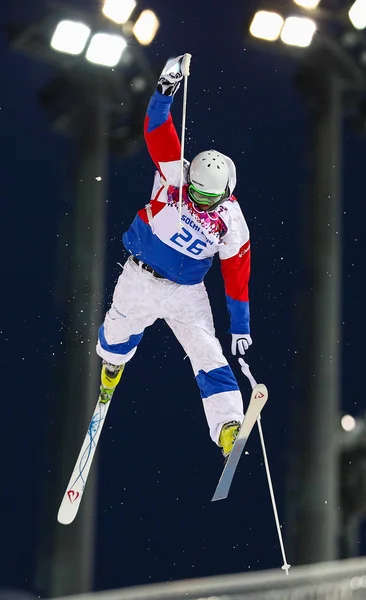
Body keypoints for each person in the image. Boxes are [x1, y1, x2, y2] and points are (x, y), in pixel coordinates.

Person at [96, 54, 252, 458]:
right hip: (140, 278)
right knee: (115, 336)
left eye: (207, 198)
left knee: (207, 352)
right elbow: (156, 130)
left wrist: (240, 326)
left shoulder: (231, 220)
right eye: (195, 193)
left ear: (227, 191)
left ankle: (228, 426)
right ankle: (112, 368)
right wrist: (166, 88)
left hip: (187, 293)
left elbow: (236, 274)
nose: (198, 202)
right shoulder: (175, 176)